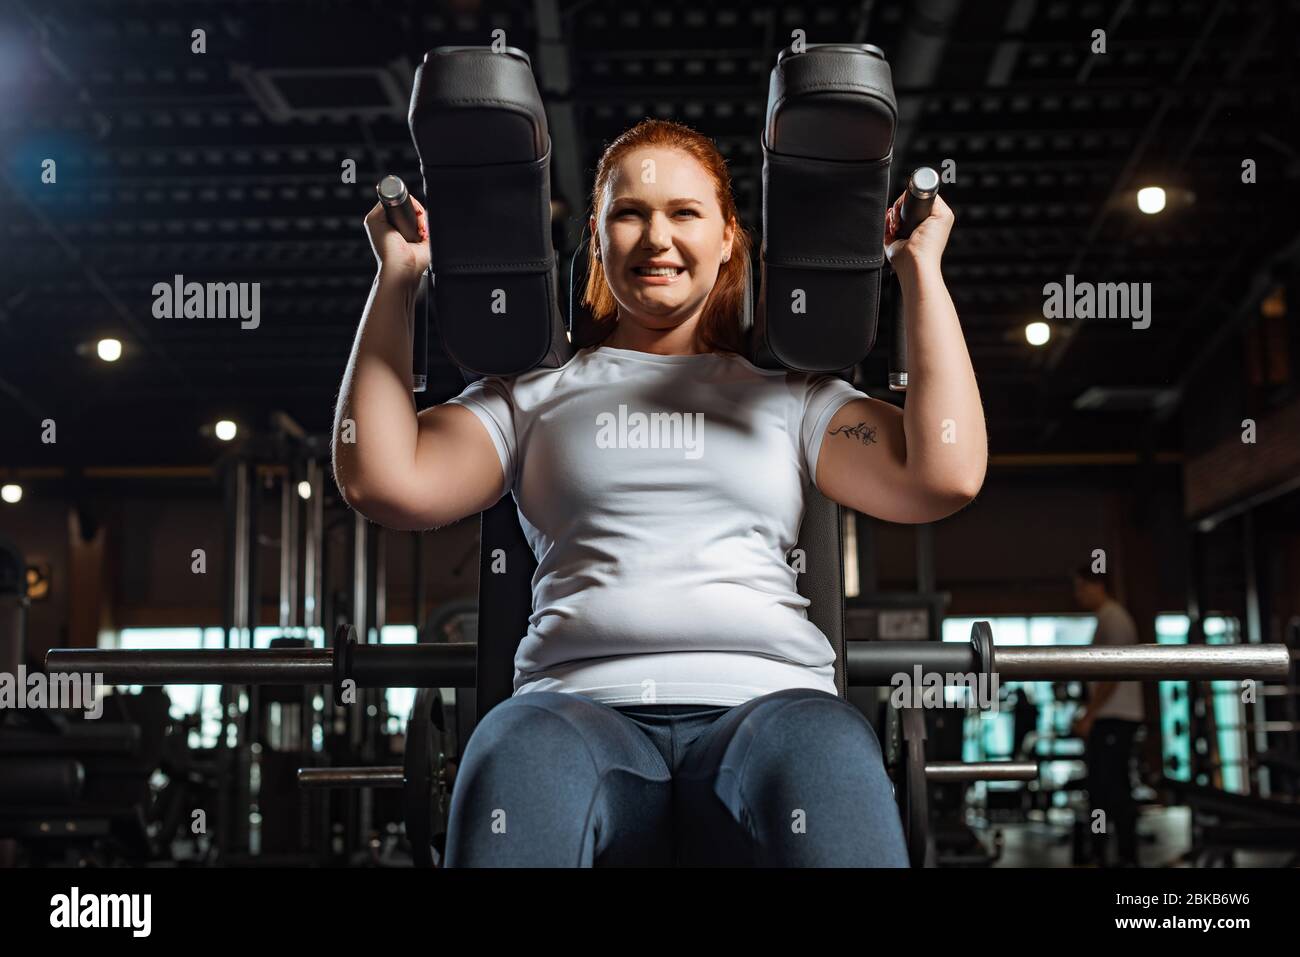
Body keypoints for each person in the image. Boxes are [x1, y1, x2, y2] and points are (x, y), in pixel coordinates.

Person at [334, 118, 986, 866]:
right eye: (629, 213)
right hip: (577, 709)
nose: (655, 238)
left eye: (684, 212)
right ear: (598, 235)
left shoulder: (792, 398)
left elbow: (944, 472)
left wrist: (919, 270)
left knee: (829, 752)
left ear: (728, 236)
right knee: (513, 757)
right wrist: (398, 279)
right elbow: (381, 477)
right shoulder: (530, 399)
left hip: (769, 706)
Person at [1071, 566, 1146, 867]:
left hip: (1115, 715)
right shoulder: (1106, 618)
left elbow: (1112, 673)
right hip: (1111, 714)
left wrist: (1089, 714)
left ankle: (1125, 855)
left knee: (1112, 788)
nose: (1078, 595)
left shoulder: (1114, 618)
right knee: (1103, 789)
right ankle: (1103, 852)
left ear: (1097, 585)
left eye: (1081, 587)